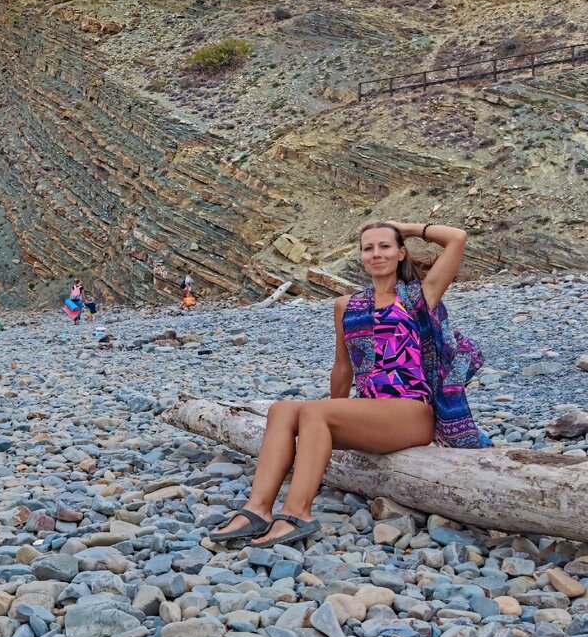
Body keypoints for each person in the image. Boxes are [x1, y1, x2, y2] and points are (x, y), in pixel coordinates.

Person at [210, 221, 491, 548]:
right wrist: (326, 421)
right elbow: (343, 368)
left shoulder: (419, 297)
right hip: (369, 411)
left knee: (315, 413)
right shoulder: (347, 306)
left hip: (412, 413)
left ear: (401, 253)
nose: (376, 254)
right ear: (360, 256)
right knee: (283, 409)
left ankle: (297, 513)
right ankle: (256, 510)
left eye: (385, 246)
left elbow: (457, 238)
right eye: (368, 248)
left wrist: (404, 227)